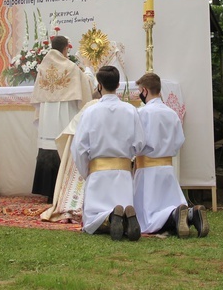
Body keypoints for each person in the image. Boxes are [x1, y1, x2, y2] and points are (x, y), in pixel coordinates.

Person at [71, 66, 145, 241]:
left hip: (99, 175)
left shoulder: (90, 112)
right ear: (118, 85)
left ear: (99, 86)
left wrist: (86, 171)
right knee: (125, 203)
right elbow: (140, 143)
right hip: (123, 176)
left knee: (91, 221)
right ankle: (124, 217)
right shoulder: (130, 110)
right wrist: (127, 158)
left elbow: (79, 147)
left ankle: (111, 217)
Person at [133, 72, 209, 238]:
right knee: (169, 202)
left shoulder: (143, 113)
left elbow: (137, 141)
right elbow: (179, 140)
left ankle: (175, 216)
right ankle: (192, 214)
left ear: (144, 91)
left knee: (147, 216)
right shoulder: (171, 113)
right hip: (167, 168)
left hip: (147, 170)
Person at [30, 35, 93, 203]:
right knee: (63, 147)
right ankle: (63, 190)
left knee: (48, 147)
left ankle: (48, 191)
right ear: (66, 49)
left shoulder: (43, 67)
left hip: (47, 117)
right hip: (64, 116)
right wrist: (88, 69)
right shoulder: (71, 67)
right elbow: (87, 85)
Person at [40, 95, 99, 223]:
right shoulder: (121, 108)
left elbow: (74, 131)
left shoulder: (90, 107)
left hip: (83, 156)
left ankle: (70, 207)